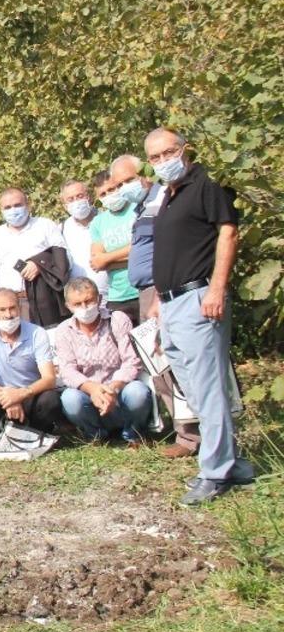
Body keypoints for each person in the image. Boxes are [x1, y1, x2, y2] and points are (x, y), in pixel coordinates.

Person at [144, 127, 253, 505]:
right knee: (193, 390)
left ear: (184, 150)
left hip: (198, 298)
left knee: (207, 387)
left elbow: (228, 233)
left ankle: (215, 472)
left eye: (168, 153)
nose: (163, 161)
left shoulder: (206, 184)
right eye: (155, 157)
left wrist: (217, 288)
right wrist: (159, 299)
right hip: (171, 303)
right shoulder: (169, 194)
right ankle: (231, 462)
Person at [113, 152, 200, 459]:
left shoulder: (164, 198)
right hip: (147, 292)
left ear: (145, 174)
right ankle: (184, 433)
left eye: (128, 180)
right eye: (118, 184)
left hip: (163, 291)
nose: (123, 188)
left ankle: (195, 436)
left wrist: (161, 295)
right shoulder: (142, 208)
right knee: (160, 367)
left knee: (177, 363)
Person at [55, 277, 149, 446]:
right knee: (70, 398)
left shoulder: (118, 319)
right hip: (89, 397)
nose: (84, 307)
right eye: (77, 304)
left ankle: (133, 435)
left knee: (138, 392)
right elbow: (67, 370)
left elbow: (132, 360)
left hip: (120, 392)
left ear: (98, 299)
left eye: (89, 301)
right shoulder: (64, 330)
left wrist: (112, 389)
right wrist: (93, 389)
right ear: (68, 306)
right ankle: (95, 435)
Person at [0, 288, 61, 437]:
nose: (8, 314)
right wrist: (8, 398)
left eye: (12, 308)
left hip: (30, 393)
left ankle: (36, 434)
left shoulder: (37, 333)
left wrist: (21, 394)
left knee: (50, 401)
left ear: (20, 308)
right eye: (2, 310)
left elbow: (49, 379)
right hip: (0, 395)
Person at [0, 187, 69, 327]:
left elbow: (63, 259)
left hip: (45, 301)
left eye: (17, 205)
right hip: (9, 305)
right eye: (7, 207)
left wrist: (39, 265)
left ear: (28, 205)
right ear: (1, 210)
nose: (13, 210)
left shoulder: (45, 226)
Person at [90, 172, 141, 327]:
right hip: (118, 298)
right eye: (103, 194)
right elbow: (97, 263)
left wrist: (108, 259)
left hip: (144, 291)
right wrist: (134, 254)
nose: (108, 195)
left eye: (111, 189)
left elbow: (146, 248)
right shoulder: (98, 222)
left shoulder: (138, 208)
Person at [59, 178, 109, 303]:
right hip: (81, 301)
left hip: (113, 294)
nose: (76, 201)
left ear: (88, 197)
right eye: (70, 199)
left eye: (80, 196)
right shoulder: (61, 230)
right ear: (64, 205)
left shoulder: (107, 219)